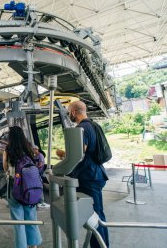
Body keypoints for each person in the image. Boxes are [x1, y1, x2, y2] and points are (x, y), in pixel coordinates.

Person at [67, 100, 110, 248]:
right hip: (96, 174)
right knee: (97, 215)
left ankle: (100, 246)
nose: (69, 115)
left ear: (73, 112)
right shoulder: (93, 125)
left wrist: (64, 155)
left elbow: (79, 153)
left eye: (68, 112)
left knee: (94, 217)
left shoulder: (82, 128)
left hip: (89, 177)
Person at [3, 126, 42, 248]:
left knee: (18, 221)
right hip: (30, 187)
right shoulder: (29, 148)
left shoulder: (8, 149)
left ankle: (21, 246)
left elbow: (5, 168)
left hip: (14, 187)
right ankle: (34, 245)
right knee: (31, 217)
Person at [32, 145, 50, 209]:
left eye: (34, 149)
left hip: (39, 173)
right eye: (33, 149)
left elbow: (41, 164)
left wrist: (34, 168)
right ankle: (37, 201)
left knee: (39, 187)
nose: (33, 150)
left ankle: (41, 202)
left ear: (37, 149)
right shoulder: (35, 156)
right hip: (36, 173)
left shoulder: (40, 155)